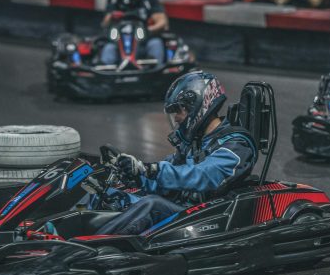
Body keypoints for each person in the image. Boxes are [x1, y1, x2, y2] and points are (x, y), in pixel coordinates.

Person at [95, 71, 258, 236]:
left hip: (207, 216)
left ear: (197, 105)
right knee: (109, 195)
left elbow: (204, 175)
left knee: (152, 205)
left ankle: (93, 245)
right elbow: (169, 177)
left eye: (179, 111)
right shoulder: (195, 142)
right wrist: (137, 176)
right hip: (183, 209)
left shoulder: (236, 144)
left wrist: (151, 169)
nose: (177, 118)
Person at [98, 0, 168, 65]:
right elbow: (104, 24)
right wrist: (111, 17)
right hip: (119, 43)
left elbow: (162, 22)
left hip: (144, 41)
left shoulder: (148, 0)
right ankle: (105, 70)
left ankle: (156, 68)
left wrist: (149, 30)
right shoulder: (114, 2)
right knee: (108, 48)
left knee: (155, 44)